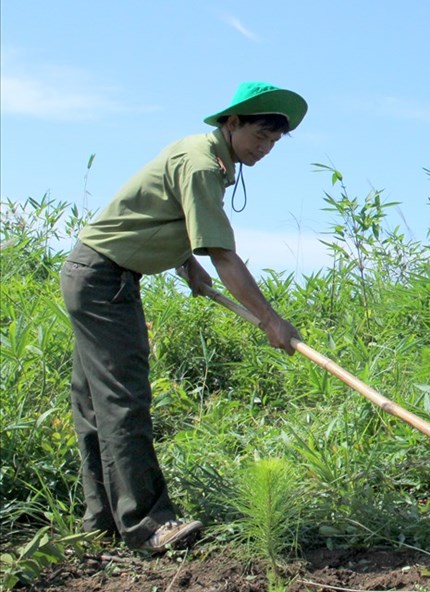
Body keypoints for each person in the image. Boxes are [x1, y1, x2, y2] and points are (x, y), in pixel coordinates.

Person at [60, 81, 307, 553]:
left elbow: (158, 214)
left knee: (94, 403)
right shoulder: (201, 164)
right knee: (123, 400)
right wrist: (271, 320)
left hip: (94, 273)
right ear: (230, 123)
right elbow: (224, 254)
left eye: (274, 142)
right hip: (103, 280)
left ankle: (103, 520)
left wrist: (184, 262)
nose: (265, 148)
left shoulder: (199, 154)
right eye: (260, 135)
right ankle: (149, 524)